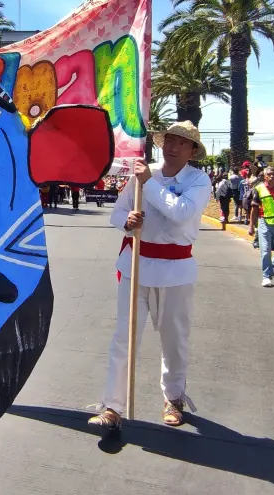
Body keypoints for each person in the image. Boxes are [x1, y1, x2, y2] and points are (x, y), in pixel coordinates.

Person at [88, 120, 212, 434]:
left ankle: (173, 398)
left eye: (181, 143)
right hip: (136, 265)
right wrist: (126, 221)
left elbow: (181, 212)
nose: (172, 147)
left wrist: (149, 183)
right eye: (169, 140)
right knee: (124, 338)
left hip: (176, 271)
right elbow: (117, 213)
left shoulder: (199, 180)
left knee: (174, 340)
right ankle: (113, 406)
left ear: (192, 151)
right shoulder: (145, 173)